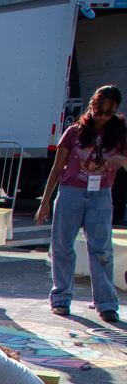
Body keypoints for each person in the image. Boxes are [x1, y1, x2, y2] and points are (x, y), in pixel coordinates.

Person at [35, 85, 126, 324]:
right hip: (70, 193)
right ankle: (61, 298)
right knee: (62, 246)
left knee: (102, 250)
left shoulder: (120, 133)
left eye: (110, 112)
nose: (103, 116)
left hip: (101, 195)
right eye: (100, 110)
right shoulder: (74, 132)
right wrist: (45, 202)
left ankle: (106, 304)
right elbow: (56, 169)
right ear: (92, 105)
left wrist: (122, 158)